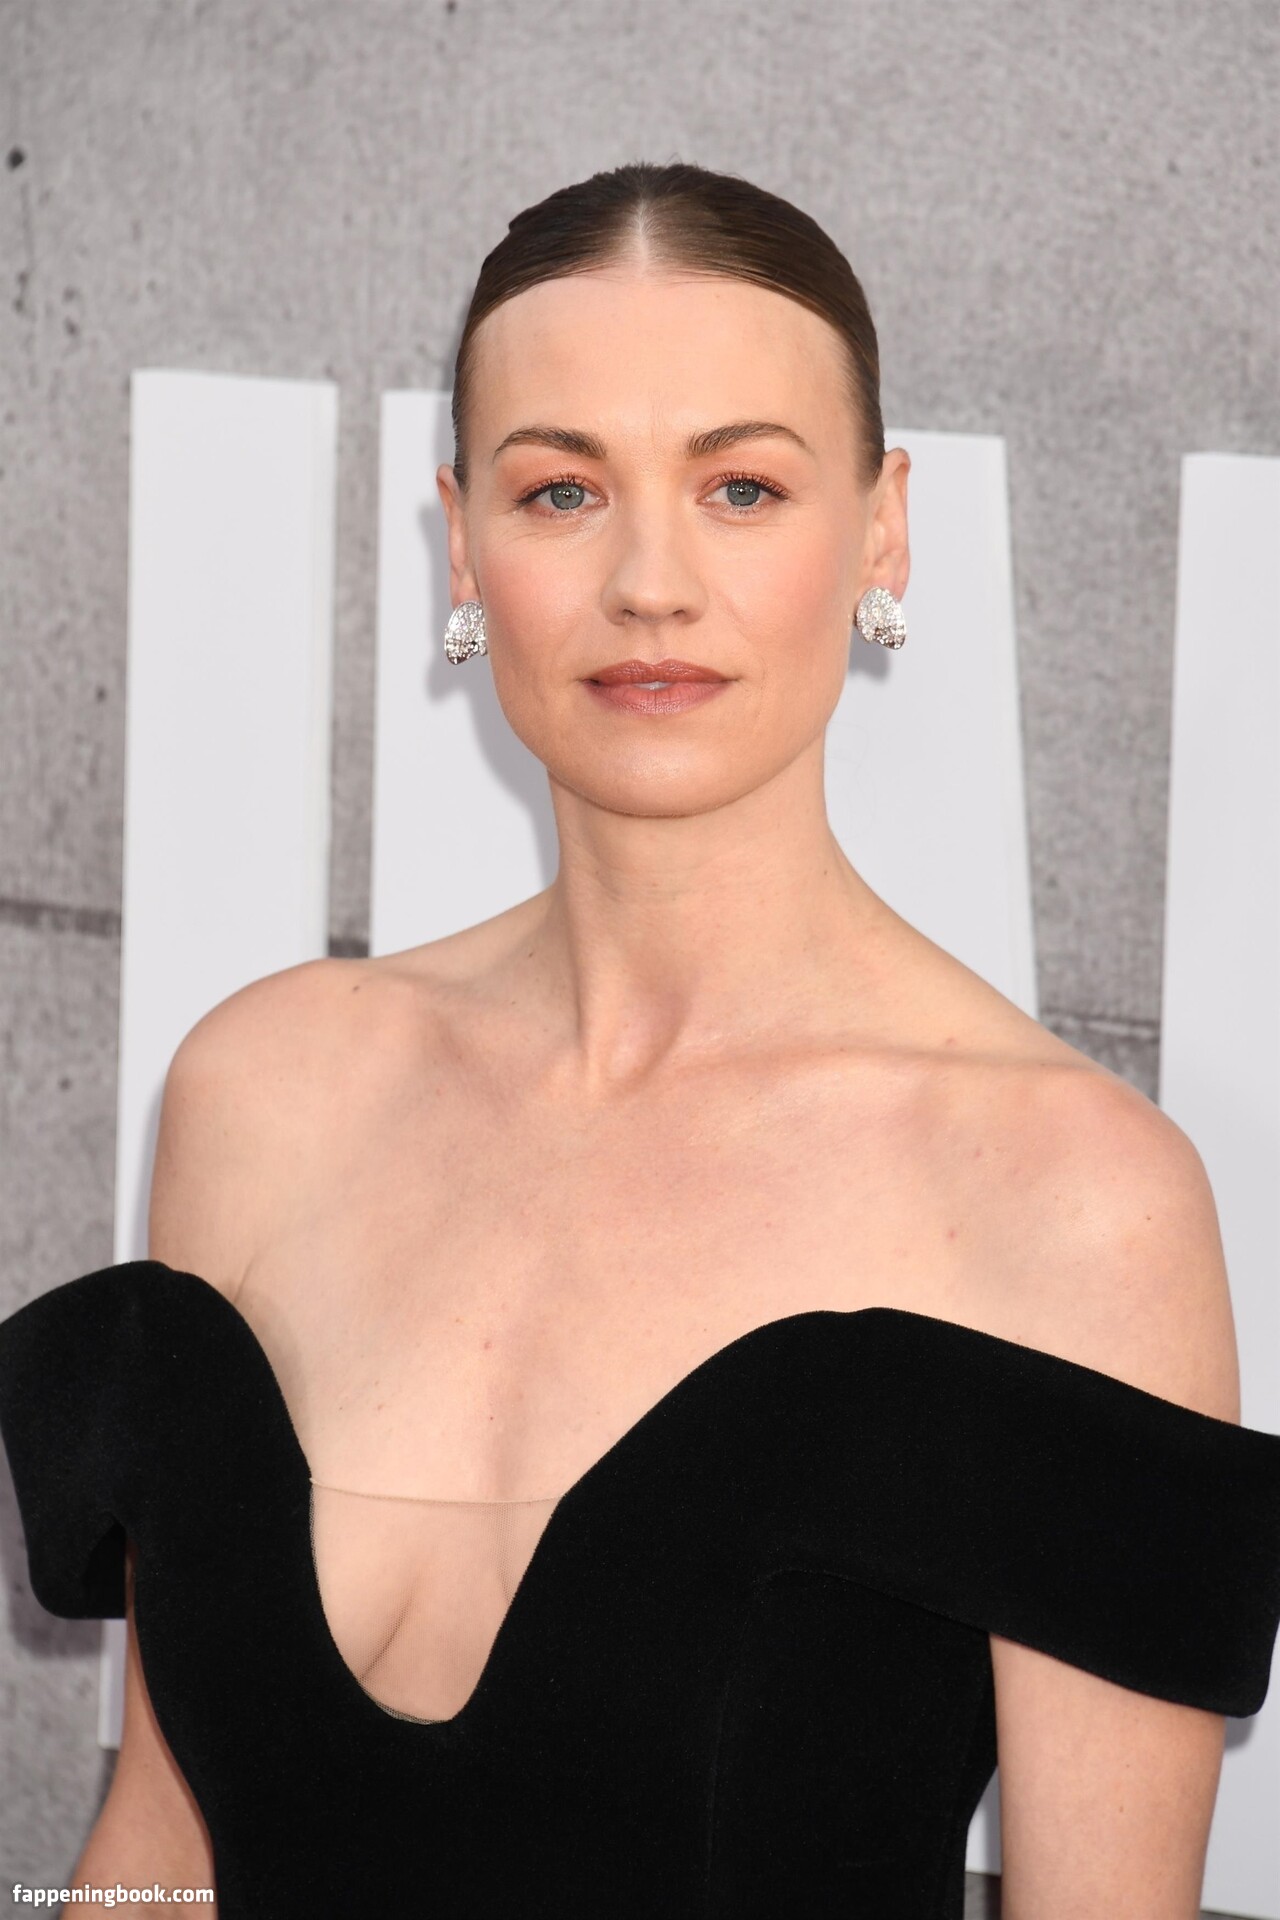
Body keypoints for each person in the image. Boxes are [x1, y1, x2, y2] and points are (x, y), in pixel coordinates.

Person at [2, 159, 1279, 1920]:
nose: (650, 583)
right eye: (564, 491)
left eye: (742, 487)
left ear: (884, 530)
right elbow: (161, 1855)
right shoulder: (263, 1089)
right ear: (463, 539)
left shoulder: (1074, 1201)